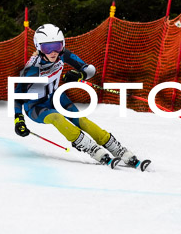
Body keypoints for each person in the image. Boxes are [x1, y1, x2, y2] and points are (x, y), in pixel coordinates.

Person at [12, 23, 142, 169]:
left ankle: (118, 149)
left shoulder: (63, 55)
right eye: (47, 48)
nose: (53, 52)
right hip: (35, 106)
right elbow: (17, 95)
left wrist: (80, 74)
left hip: (56, 98)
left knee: (82, 120)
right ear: (39, 47)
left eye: (57, 46)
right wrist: (19, 119)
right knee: (57, 117)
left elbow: (90, 69)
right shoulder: (32, 69)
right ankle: (91, 148)